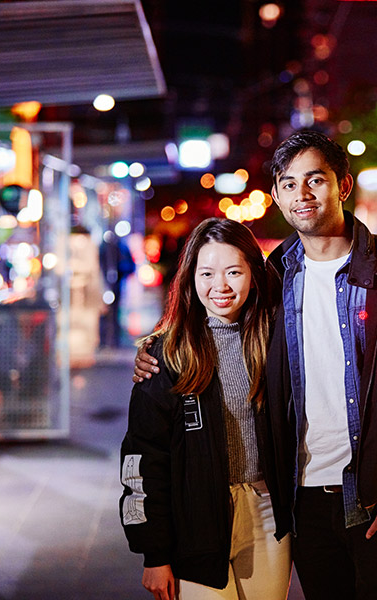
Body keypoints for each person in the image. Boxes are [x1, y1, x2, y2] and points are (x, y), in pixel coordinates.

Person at [135, 130, 377, 599]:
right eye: (289, 183)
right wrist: (156, 350)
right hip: (302, 502)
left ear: (342, 185)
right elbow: (217, 318)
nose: (302, 194)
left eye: (315, 180)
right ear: (276, 194)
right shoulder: (273, 277)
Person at [120, 218, 290, 600]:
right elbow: (144, 459)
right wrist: (154, 553)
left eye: (234, 272)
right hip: (193, 518)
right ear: (189, 278)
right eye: (207, 273)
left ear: (254, 274)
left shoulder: (274, 342)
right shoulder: (166, 355)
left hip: (265, 514)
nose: (221, 287)